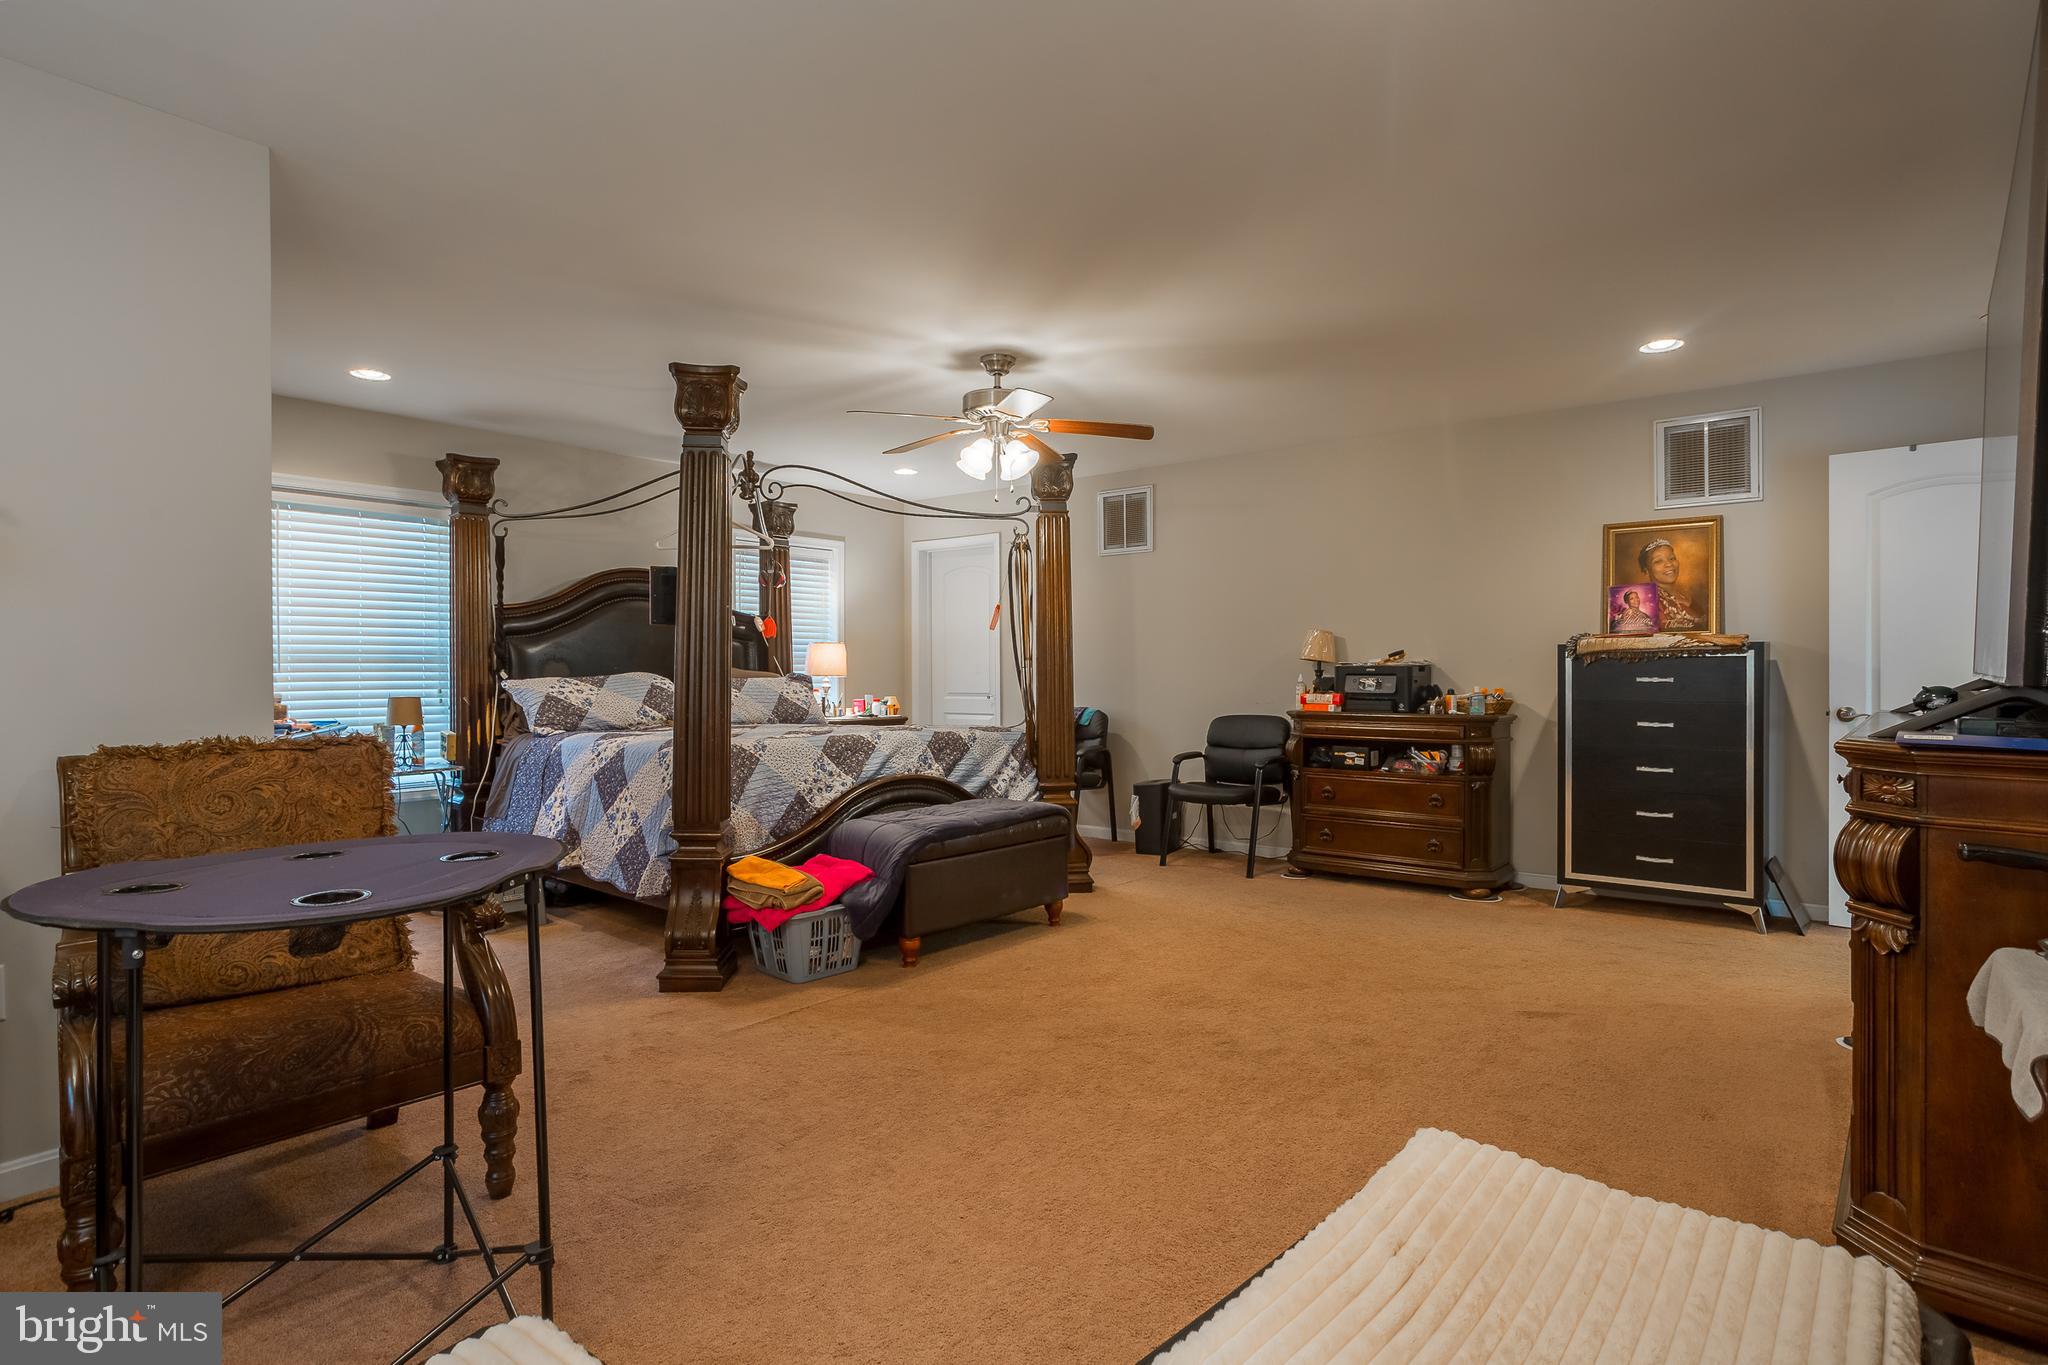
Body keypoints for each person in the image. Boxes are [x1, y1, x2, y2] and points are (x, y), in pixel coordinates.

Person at [1638, 538, 1702, 629]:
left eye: (1672, 558)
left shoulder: (1688, 595)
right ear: (1646, 570)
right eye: (1658, 561)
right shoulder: (1649, 603)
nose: (1669, 564)